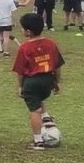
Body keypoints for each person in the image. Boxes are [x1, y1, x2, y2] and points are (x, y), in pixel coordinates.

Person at [13, 13, 65, 150]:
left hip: (32, 82)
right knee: (39, 99)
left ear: (28, 32)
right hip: (48, 79)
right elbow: (57, 65)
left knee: (34, 111)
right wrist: (57, 82)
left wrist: (20, 86)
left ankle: (38, 141)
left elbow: (20, 71)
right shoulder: (51, 43)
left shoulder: (24, 47)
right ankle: (46, 118)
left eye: (22, 28)